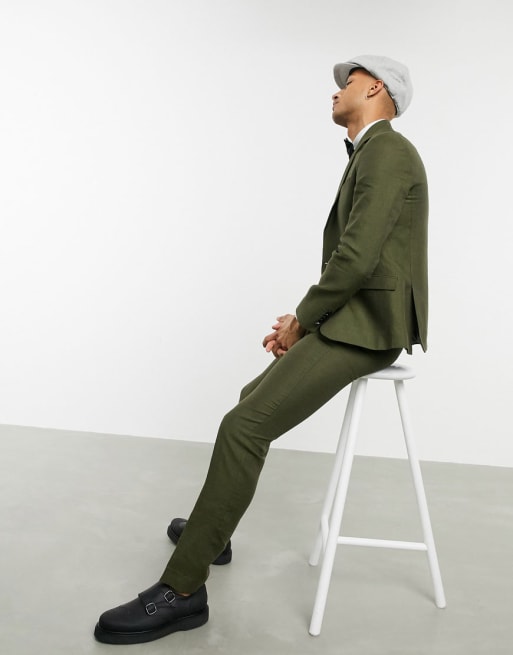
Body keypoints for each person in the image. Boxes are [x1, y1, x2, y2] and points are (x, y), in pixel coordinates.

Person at [94, 54, 428, 645]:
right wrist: (303, 320)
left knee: (243, 426)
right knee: (250, 402)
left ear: (377, 88)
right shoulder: (371, 152)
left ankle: (183, 591)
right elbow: (355, 259)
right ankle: (213, 533)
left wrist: (302, 320)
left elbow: (357, 257)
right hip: (353, 318)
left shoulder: (387, 151)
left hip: (370, 328)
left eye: (347, 82)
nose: (336, 91)